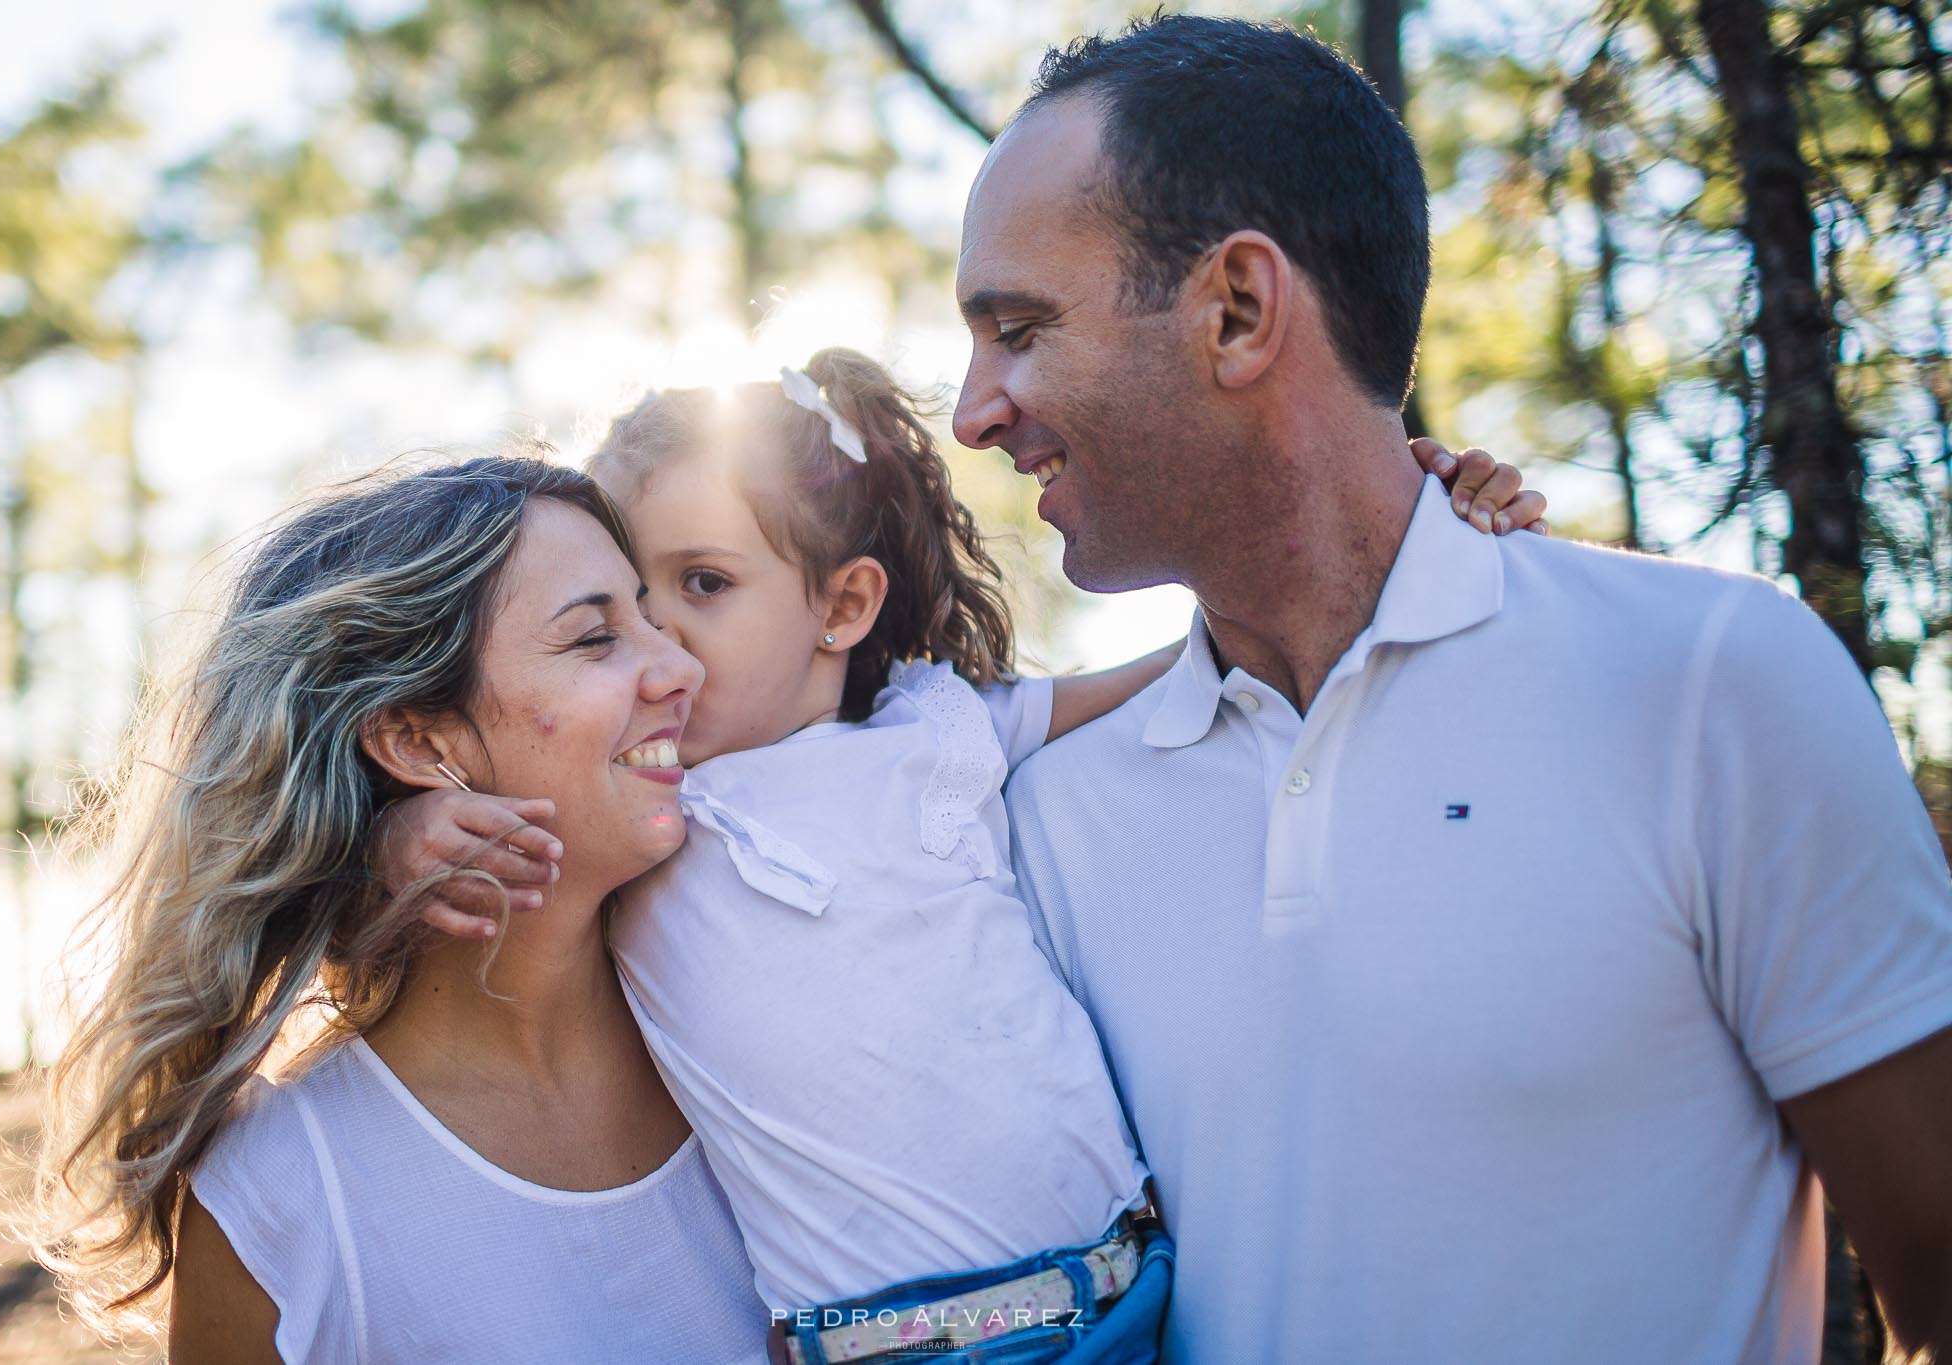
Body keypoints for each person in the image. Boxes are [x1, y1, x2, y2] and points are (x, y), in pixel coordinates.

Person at [948, 14, 1952, 1363]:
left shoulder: (1712, 688)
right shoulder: (1033, 816)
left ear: (1236, 309)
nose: (973, 409)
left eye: (1018, 329)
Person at [381, 350, 1543, 1363]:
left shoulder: (935, 736)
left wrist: (1398, 522)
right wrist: (402, 840)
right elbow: (468, 868)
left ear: (841, 609)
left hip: (1130, 1291)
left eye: (704, 586)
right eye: (628, 604)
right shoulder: (640, 825)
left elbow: (1195, 664)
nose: (658, 645)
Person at [22, 457, 770, 1363]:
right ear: (418, 739)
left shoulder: (772, 1003)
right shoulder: (287, 1197)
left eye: (652, 618)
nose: (681, 665)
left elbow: (974, 1301)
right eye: (594, 639)